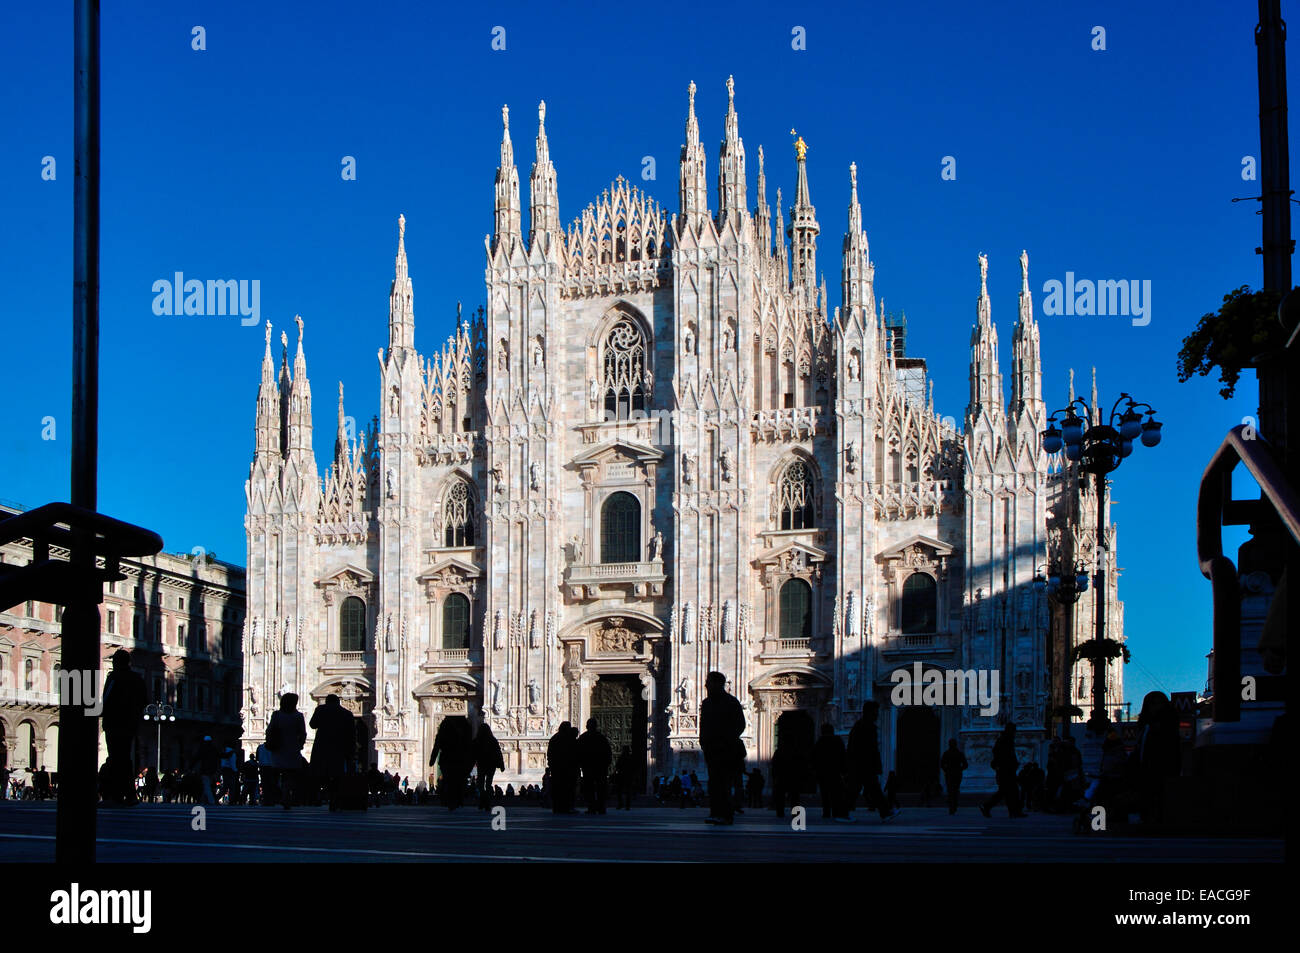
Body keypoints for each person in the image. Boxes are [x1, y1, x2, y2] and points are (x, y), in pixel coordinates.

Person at [101, 649, 146, 805]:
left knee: (115, 759)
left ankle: (115, 796)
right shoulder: (137, 679)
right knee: (125, 759)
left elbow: (105, 699)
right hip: (130, 725)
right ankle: (130, 795)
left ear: (116, 662)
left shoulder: (114, 677)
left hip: (114, 723)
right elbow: (144, 701)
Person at [699, 671, 745, 825]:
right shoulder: (706, 703)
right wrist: (704, 743)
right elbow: (703, 726)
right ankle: (715, 812)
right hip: (711, 749)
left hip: (727, 750)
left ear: (718, 683)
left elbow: (740, 724)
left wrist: (727, 740)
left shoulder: (731, 702)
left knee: (724, 783)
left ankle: (726, 815)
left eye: (708, 682)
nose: (705, 685)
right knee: (714, 783)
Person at [846, 701, 901, 821]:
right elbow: (869, 749)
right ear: (870, 712)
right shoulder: (866, 726)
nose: (877, 715)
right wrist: (875, 765)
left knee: (860, 789)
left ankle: (885, 812)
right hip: (864, 765)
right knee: (868, 790)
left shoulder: (861, 725)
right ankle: (885, 812)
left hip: (861, 765)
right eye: (875, 712)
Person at [1134, 690, 1181, 827]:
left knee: (1160, 793)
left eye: (1158, 703)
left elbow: (1171, 747)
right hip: (1147, 767)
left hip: (1163, 766)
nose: (1155, 707)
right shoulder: (1146, 725)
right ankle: (1149, 818)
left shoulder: (1166, 724)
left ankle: (1160, 819)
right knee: (1149, 793)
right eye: (1152, 704)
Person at [309, 694, 357, 803]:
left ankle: (318, 796)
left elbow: (312, 724)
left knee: (320, 771)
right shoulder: (347, 713)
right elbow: (352, 734)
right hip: (339, 747)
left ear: (326, 701)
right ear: (338, 702)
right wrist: (352, 750)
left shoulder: (321, 709)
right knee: (337, 772)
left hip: (322, 745)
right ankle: (335, 797)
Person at [770, 709, 815, 819]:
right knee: (794, 795)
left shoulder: (780, 751)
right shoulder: (796, 751)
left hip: (782, 776)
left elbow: (774, 763)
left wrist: (774, 775)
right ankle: (795, 813)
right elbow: (801, 763)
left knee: (781, 794)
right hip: (793, 776)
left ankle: (780, 812)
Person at [265, 693, 307, 810]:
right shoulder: (298, 716)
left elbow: (269, 730)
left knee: (279, 773)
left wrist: (269, 742)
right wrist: (300, 745)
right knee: (290, 774)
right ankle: (286, 795)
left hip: (278, 748)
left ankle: (282, 795)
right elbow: (303, 733)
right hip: (292, 749)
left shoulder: (277, 715)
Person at [980, 722, 1024, 818]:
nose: (1015, 732)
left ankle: (1014, 812)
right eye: (1014, 730)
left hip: (1006, 769)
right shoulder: (1005, 739)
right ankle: (987, 806)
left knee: (1009, 791)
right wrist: (1006, 764)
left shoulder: (1005, 739)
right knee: (1008, 791)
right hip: (1006, 769)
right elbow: (1005, 754)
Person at [429, 715, 473, 810]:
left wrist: (432, 760)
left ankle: (448, 800)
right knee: (459, 780)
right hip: (460, 760)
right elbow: (470, 746)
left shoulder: (442, 733)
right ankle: (458, 799)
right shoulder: (464, 732)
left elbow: (436, 747)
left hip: (446, 760)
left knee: (448, 780)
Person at [576, 718, 612, 815]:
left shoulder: (583, 738)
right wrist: (606, 764)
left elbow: (577, 753)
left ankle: (591, 807)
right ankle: (601, 807)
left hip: (588, 767)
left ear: (587, 726)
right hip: (600, 767)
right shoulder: (601, 738)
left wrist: (579, 765)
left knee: (589, 788)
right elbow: (608, 753)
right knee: (601, 788)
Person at [813, 723, 847, 820]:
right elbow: (843, 756)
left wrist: (815, 770)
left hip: (823, 772)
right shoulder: (837, 741)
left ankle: (826, 812)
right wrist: (844, 770)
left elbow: (814, 757)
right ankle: (836, 812)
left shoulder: (820, 742)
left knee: (825, 793)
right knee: (836, 793)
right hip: (835, 772)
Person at [546, 722, 580, 814]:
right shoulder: (568, 740)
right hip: (567, 768)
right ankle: (568, 807)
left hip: (557, 768)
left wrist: (551, 764)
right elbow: (574, 754)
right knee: (568, 788)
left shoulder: (554, 738)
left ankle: (557, 807)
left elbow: (549, 753)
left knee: (558, 788)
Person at [475, 721, 506, 810]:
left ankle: (483, 800)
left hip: (481, 765)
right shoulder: (493, 740)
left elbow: (473, 753)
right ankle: (486, 801)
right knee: (488, 784)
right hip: (491, 765)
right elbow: (498, 752)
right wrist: (501, 764)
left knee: (480, 784)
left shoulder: (478, 740)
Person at [940, 739, 967, 815]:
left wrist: (946, 770)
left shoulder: (946, 753)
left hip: (949, 774)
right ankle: (954, 806)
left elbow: (942, 764)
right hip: (957, 774)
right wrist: (960, 769)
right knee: (955, 790)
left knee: (950, 790)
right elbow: (965, 765)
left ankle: (951, 807)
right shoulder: (959, 754)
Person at [196, 736, 221, 805]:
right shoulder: (214, 748)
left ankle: (211, 801)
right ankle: (203, 800)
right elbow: (220, 755)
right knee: (208, 785)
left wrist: (190, 767)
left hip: (205, 770)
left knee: (207, 786)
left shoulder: (202, 749)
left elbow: (196, 758)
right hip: (213, 770)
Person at [613, 744, 636, 810]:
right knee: (628, 791)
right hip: (628, 776)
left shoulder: (621, 757)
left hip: (622, 775)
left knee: (620, 790)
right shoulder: (631, 758)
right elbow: (634, 767)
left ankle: (620, 804)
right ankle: (627, 805)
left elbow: (617, 766)